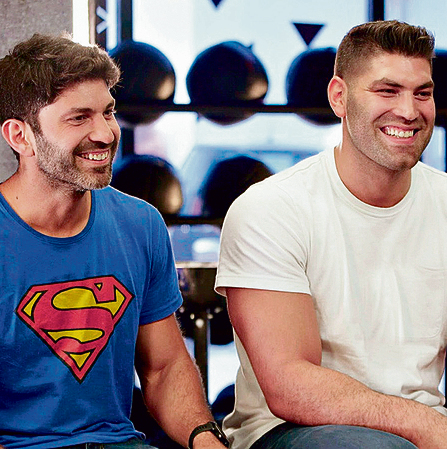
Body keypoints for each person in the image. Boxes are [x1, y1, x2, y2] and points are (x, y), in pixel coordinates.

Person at [215, 19, 447, 449]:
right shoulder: (270, 208)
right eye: (387, 91)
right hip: (292, 429)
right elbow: (290, 387)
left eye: (422, 93)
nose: (409, 111)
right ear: (339, 97)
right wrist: (429, 427)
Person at [0, 33, 230, 449]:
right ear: (20, 136)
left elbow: (163, 368)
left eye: (108, 112)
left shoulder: (140, 224)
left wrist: (205, 439)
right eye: (79, 118)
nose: (106, 134)